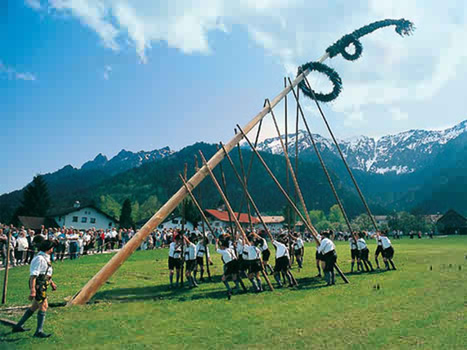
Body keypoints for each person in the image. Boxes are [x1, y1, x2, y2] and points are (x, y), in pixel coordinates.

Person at [13, 240, 57, 338]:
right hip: (38, 286)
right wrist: (33, 290)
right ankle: (39, 331)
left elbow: (46, 274)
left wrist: (52, 283)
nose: (53, 249)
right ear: (49, 248)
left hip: (43, 285)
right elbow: (33, 276)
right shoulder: (39, 259)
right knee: (43, 306)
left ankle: (18, 326)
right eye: (52, 248)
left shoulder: (46, 258)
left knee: (34, 307)